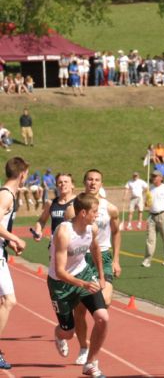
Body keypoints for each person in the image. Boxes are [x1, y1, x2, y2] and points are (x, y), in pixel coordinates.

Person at [48, 193, 108, 378]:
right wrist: (83, 284)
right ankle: (59, 334)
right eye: (94, 212)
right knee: (68, 332)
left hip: (83, 273)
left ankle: (90, 363)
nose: (97, 215)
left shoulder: (92, 229)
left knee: (103, 318)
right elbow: (60, 271)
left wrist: (101, 275)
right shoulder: (64, 232)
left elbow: (95, 248)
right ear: (83, 212)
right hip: (60, 284)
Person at [74, 169, 121, 366]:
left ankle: (92, 346)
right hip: (82, 257)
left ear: (101, 183)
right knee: (80, 310)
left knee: (106, 301)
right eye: (90, 180)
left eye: (97, 180)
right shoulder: (74, 209)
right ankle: (84, 348)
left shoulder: (110, 209)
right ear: (84, 182)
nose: (93, 183)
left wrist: (116, 259)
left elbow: (117, 232)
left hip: (103, 255)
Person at [0, 157, 28, 369]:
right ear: (22, 174)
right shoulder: (6, 195)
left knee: (6, 301)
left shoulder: (8, 194)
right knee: (9, 300)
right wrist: (15, 238)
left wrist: (10, 241)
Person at [141, 170, 164, 267]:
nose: (154, 178)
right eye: (152, 176)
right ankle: (147, 260)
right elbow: (147, 204)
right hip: (151, 215)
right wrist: (147, 201)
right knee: (150, 239)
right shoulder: (150, 188)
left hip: (163, 214)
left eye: (156, 176)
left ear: (161, 178)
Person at [32, 173, 75, 242]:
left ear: (72, 185)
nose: (63, 184)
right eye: (60, 182)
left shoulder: (79, 202)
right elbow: (42, 220)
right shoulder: (51, 203)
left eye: (66, 182)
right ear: (57, 186)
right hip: (56, 245)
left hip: (74, 244)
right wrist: (38, 230)